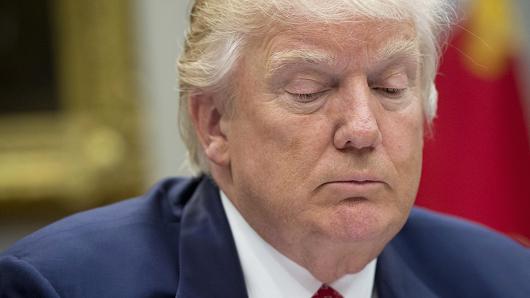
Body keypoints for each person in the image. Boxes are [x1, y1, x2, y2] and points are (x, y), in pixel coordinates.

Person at [1, 0, 530, 297]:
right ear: (214, 123)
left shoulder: (502, 281)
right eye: (309, 91)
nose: (363, 128)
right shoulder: (59, 288)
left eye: (391, 87)